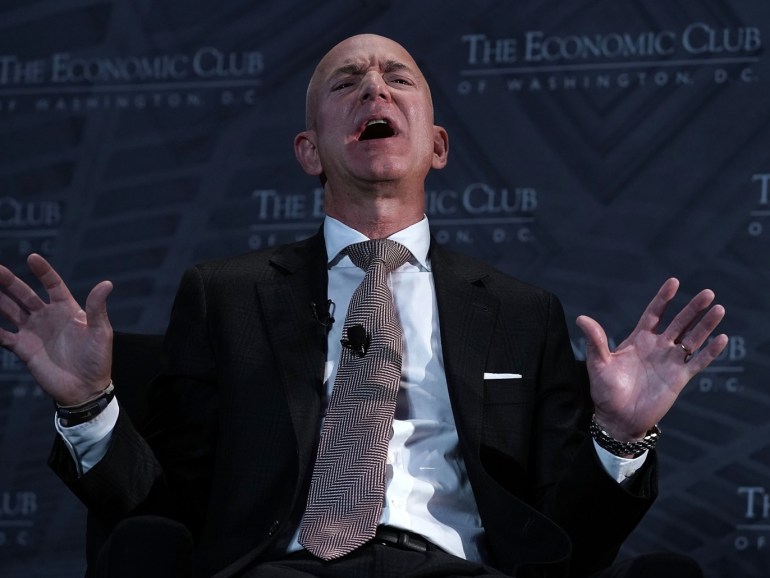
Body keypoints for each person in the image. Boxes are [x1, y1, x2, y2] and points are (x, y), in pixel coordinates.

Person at [0, 34, 727, 578]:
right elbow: (163, 508)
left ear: (437, 145)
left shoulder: (519, 312)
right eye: (348, 82)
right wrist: (89, 404)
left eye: (396, 79)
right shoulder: (225, 296)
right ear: (310, 149)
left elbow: (571, 537)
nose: (374, 91)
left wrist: (621, 436)